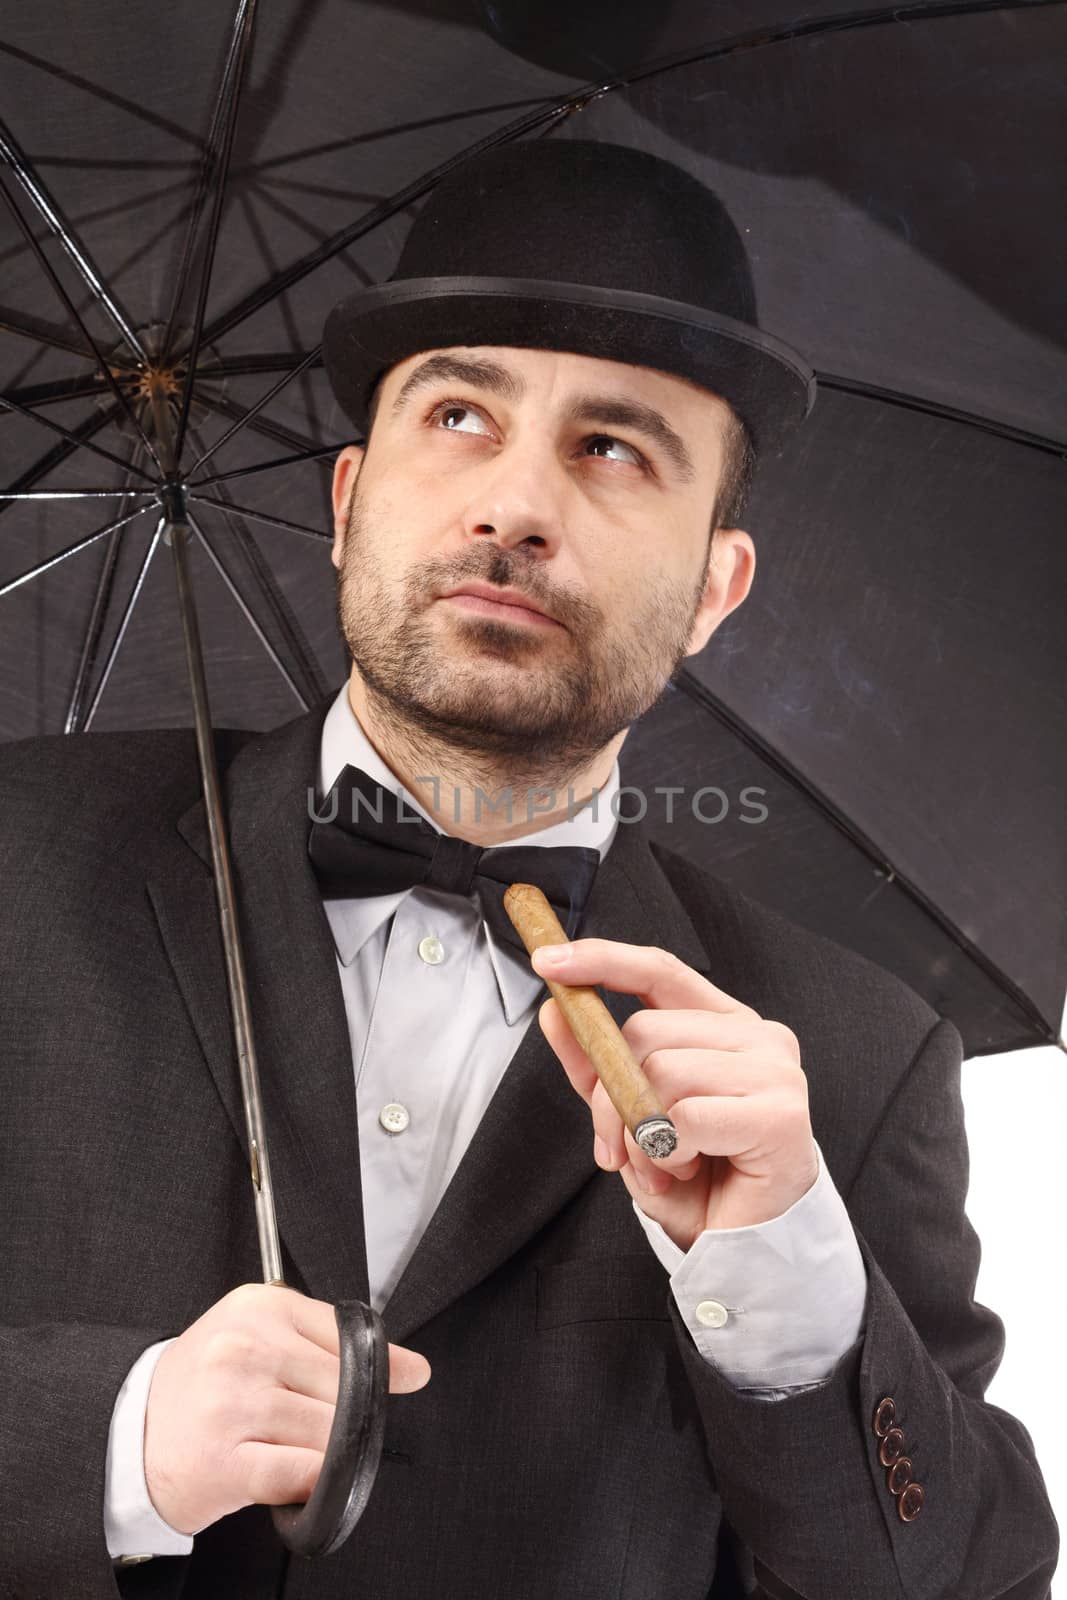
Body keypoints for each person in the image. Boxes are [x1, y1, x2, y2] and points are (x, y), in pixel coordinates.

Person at [0, 139, 1058, 1600]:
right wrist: (107, 1437)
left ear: (713, 589)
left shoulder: (854, 1062)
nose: (515, 506)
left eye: (613, 448)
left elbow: (970, 1579)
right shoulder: (12, 859)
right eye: (459, 413)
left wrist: (800, 1298)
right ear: (350, 496)